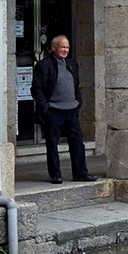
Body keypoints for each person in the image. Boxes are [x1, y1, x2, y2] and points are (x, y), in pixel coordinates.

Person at [31, 35, 98, 184]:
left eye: (67, 47)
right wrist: (46, 108)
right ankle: (55, 174)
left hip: (71, 110)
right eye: (63, 47)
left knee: (77, 143)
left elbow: (76, 85)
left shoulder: (71, 64)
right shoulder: (43, 65)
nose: (65, 50)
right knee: (52, 144)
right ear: (54, 47)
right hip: (53, 110)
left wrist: (78, 101)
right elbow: (36, 89)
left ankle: (80, 173)